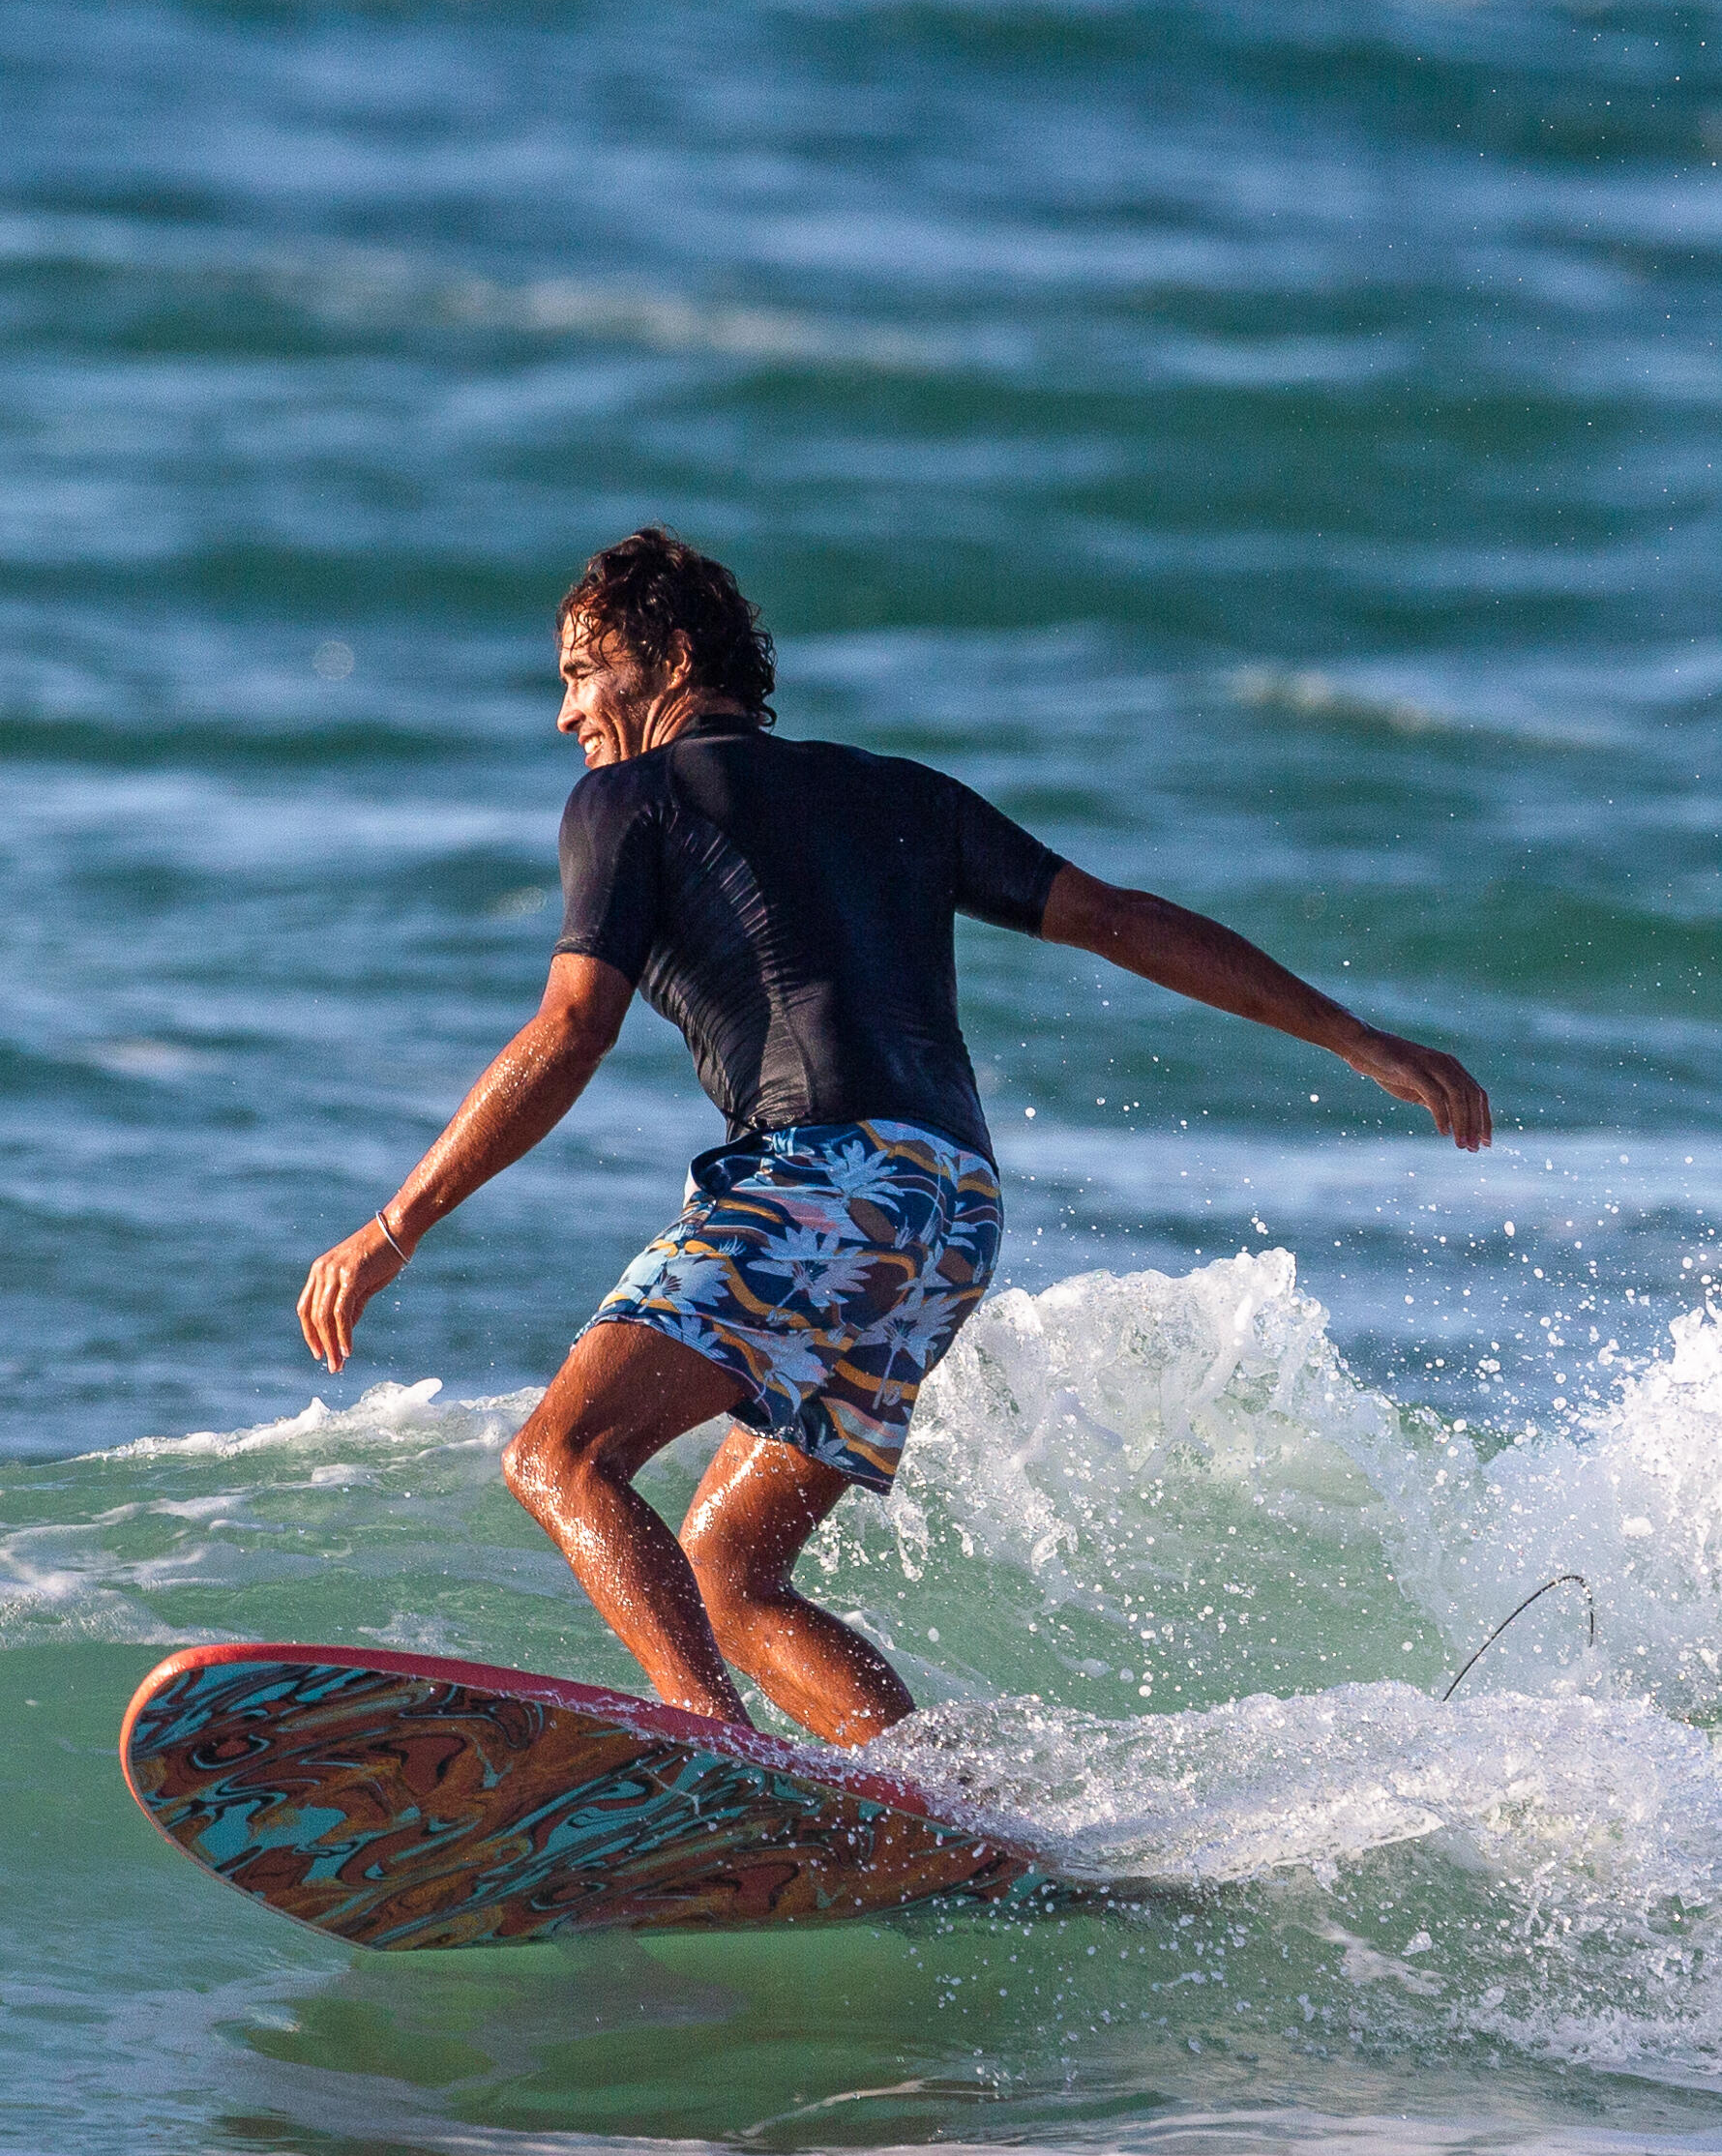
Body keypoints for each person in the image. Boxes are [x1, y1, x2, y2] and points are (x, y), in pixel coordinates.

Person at [295, 529, 1490, 1747]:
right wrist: (1357, 1040)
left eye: (582, 672)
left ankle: (707, 1750)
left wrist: (393, 1229)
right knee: (731, 1567)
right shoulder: (902, 794)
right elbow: (1121, 920)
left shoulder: (628, 801)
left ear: (670, 658)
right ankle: (928, 1807)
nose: (565, 715)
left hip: (825, 1183)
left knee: (563, 1456)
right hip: (950, 1212)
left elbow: (569, 1030)